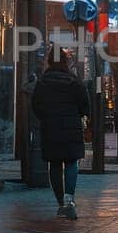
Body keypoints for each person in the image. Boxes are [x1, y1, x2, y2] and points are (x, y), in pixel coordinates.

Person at [30, 46, 91, 220]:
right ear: (66, 61)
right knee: (71, 162)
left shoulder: (43, 82)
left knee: (55, 164)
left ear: (49, 61)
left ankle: (60, 203)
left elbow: (36, 105)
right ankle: (69, 200)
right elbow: (85, 104)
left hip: (50, 127)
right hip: (71, 127)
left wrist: (46, 117)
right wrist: (77, 115)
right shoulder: (74, 81)